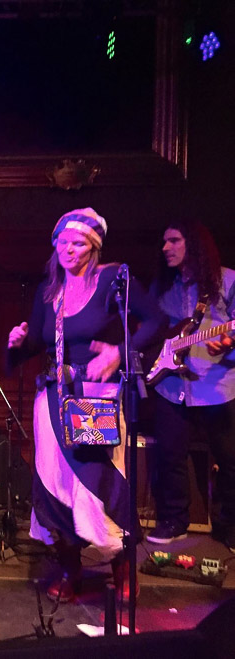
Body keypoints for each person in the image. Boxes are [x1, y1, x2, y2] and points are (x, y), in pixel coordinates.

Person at [7, 208, 163, 603]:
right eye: (63, 241)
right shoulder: (49, 290)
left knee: (102, 482)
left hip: (97, 397)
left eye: (78, 243)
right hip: (54, 400)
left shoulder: (113, 279)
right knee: (57, 485)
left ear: (93, 247)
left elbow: (155, 320)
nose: (69, 249)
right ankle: (70, 568)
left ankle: (122, 566)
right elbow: (37, 342)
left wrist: (119, 351)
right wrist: (18, 342)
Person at [147, 220, 235, 551]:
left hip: (216, 384)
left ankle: (229, 526)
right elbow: (151, 330)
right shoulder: (163, 286)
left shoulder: (227, 280)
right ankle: (174, 521)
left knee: (230, 460)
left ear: (193, 243)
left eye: (173, 240)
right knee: (169, 455)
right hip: (172, 384)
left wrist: (228, 344)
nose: (165, 247)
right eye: (163, 241)